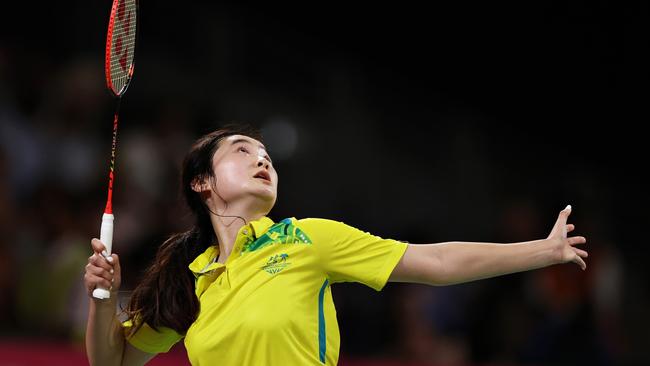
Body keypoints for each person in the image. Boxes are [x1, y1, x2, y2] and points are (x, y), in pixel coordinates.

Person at [84, 123, 588, 366]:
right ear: (201, 182)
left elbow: (433, 259)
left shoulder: (307, 239)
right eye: (243, 152)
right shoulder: (190, 281)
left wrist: (541, 251)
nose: (263, 161)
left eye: (267, 157)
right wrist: (102, 297)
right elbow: (111, 362)